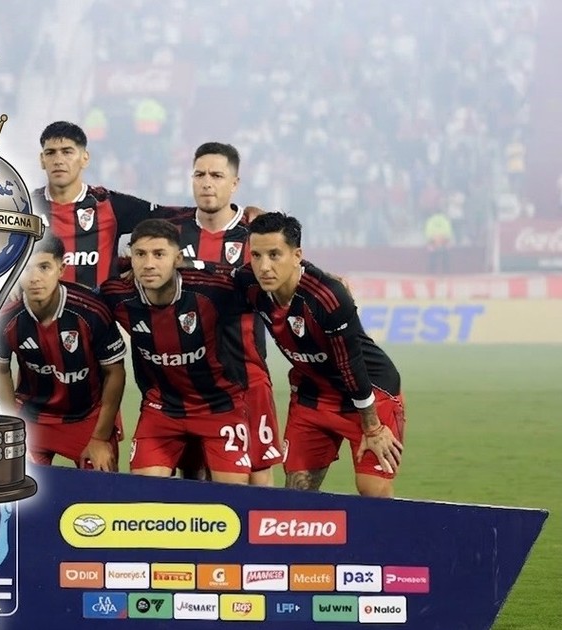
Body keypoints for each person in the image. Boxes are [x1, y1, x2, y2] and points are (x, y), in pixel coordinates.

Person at [230, 212, 405, 497]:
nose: (264, 266)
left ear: (297, 255)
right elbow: (210, 277)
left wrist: (373, 428)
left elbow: (350, 365)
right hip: (313, 394)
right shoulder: (249, 282)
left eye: (274, 255)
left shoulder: (327, 296)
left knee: (373, 493)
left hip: (369, 391)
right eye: (257, 255)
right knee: (296, 493)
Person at [162, 142, 282, 486]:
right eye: (199, 174)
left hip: (245, 373)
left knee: (257, 477)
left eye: (216, 175)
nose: (206, 183)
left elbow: (289, 269)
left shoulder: (255, 232)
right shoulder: (171, 232)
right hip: (186, 380)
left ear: (235, 183)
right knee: (191, 477)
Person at [100, 219, 252, 484]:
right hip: (161, 409)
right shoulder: (116, 293)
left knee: (232, 494)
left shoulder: (212, 289)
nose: (148, 264)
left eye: (159, 254)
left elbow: (252, 277)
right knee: (143, 493)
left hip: (219, 406)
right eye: (140, 254)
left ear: (178, 259)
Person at [0, 233, 127, 471]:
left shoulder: (91, 311)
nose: (35, 278)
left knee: (102, 481)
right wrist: (11, 427)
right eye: (26, 268)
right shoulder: (4, 317)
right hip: (33, 417)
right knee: (13, 479)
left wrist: (100, 437)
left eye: (44, 267)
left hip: (87, 416)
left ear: (61, 269)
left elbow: (115, 372)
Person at [31, 121, 166, 291]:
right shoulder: (25, 207)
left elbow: (169, 220)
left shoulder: (108, 203)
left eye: (67, 152)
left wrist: (141, 260)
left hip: (98, 307)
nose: (58, 160)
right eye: (51, 153)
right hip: (40, 308)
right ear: (42, 160)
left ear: (85, 158)